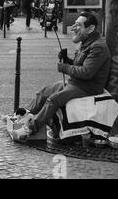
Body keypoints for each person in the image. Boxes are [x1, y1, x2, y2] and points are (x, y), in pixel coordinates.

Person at [11, 12, 111, 141]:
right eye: (75, 24)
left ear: (90, 29)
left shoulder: (98, 47)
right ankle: (22, 116)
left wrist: (65, 67)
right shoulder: (87, 43)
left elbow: (86, 73)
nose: (73, 28)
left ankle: (30, 128)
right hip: (77, 83)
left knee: (53, 100)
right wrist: (67, 60)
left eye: (78, 25)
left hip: (87, 87)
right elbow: (79, 65)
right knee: (44, 92)